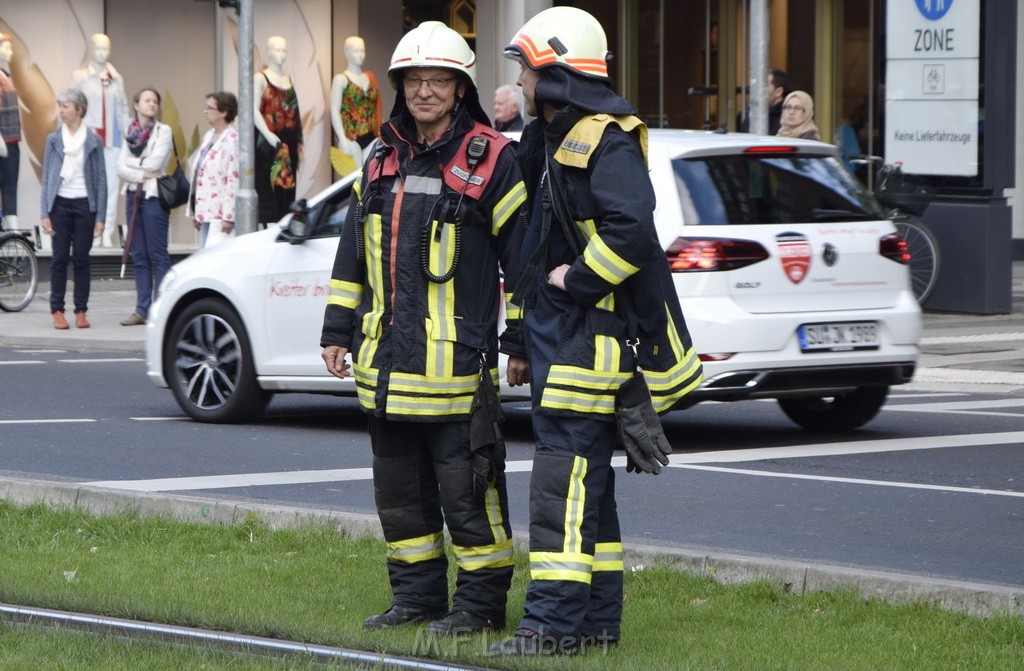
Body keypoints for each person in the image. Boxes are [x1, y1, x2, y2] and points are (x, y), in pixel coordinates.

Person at [493, 7, 703, 655]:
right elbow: (533, 250)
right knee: (592, 491)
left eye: (525, 71)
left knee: (562, 483)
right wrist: (521, 339)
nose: (519, 84)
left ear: (553, 73)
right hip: (560, 339)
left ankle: (550, 629)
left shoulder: (604, 140)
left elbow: (633, 232)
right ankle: (595, 624)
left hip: (588, 339)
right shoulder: (549, 142)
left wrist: (576, 281)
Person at [319, 21, 527, 637]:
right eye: (415, 80)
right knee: (400, 496)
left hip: (457, 372)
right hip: (385, 367)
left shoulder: (494, 158)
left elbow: (522, 263)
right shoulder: (379, 159)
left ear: (460, 88)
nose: (425, 91)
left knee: (469, 496)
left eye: (439, 80)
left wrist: (516, 342)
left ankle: (480, 608)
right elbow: (351, 253)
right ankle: (417, 600)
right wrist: (337, 329)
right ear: (401, 86)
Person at [40, 88, 106, 330]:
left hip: (84, 206)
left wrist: (100, 216)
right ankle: (57, 310)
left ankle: (81, 311)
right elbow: (47, 177)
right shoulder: (53, 140)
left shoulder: (94, 141)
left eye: (66, 106)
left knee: (81, 259)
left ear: (79, 109)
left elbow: (100, 179)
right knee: (58, 259)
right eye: (60, 106)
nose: (61, 111)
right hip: (60, 204)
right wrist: (45, 212)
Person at [116, 87, 173, 326]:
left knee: (158, 255)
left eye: (155, 101)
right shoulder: (129, 132)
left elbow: (157, 162)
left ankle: (160, 309)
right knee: (138, 255)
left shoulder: (163, 131)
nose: (152, 104)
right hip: (132, 196)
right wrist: (142, 173)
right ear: (136, 104)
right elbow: (120, 168)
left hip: (153, 199)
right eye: (147, 100)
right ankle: (141, 309)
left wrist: (133, 165)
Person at [71, 33, 127, 248]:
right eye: (98, 48)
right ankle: (91, 232)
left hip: (113, 140)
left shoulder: (116, 77)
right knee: (89, 186)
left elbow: (123, 108)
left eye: (106, 48)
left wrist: (128, 136)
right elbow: (71, 105)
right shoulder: (81, 76)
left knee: (111, 187)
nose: (102, 52)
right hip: (89, 139)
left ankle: (107, 232)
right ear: (91, 49)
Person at [254, 36, 302, 224]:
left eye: (284, 50)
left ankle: (284, 224)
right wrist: (267, 134)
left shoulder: (289, 80)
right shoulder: (260, 78)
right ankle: (268, 226)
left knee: (288, 189)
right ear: (268, 51)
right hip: (268, 144)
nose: (281, 55)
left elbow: (294, 114)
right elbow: (253, 109)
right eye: (276, 50)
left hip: (289, 143)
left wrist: (299, 144)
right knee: (268, 186)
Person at [187, 91, 240, 248]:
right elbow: (199, 173)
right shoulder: (209, 135)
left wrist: (229, 216)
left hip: (220, 214)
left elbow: (233, 179)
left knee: (213, 258)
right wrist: (195, 210)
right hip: (206, 211)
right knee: (203, 256)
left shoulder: (232, 140)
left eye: (209, 108)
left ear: (223, 112)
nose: (205, 112)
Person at [330, 36, 381, 174]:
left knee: (369, 178)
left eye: (362, 50)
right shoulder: (341, 79)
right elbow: (334, 110)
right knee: (355, 180)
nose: (360, 54)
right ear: (347, 52)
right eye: (355, 50)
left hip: (371, 136)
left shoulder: (368, 78)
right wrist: (341, 138)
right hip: (350, 137)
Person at [0, 34, 21, 230]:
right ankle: (11, 228)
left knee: (10, 185)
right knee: (6, 184)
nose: (10, 52)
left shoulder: (5, 76)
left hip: (11, 140)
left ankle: (13, 230)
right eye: (6, 47)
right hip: (3, 140)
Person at [739, 67, 787, 135]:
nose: (756, 90)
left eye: (763, 85)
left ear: (778, 92)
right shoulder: (751, 111)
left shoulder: (788, 115)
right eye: (755, 85)